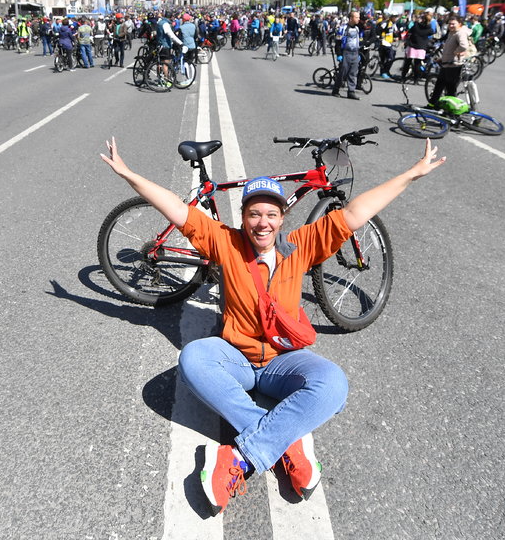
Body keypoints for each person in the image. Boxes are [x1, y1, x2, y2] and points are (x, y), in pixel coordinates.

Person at [99, 136, 445, 514]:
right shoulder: (225, 243)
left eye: (271, 215)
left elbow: (356, 212)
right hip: (237, 357)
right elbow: (176, 210)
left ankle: (241, 455)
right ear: (244, 216)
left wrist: (411, 174)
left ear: (282, 218)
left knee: (334, 384)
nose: (262, 223)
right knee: (194, 359)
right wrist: (130, 175)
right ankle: (283, 442)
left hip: (283, 361)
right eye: (254, 214)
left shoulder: (301, 245)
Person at [427, 16, 471, 106]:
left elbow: (464, 46)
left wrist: (456, 51)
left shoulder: (460, 33)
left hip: (454, 65)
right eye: (449, 24)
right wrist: (442, 58)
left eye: (453, 24)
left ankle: (451, 111)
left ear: (459, 24)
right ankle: (432, 105)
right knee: (439, 86)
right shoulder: (452, 32)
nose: (450, 25)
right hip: (447, 63)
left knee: (450, 89)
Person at [331, 11, 361, 99]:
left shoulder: (357, 29)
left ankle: (351, 91)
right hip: (346, 53)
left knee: (353, 73)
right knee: (343, 73)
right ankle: (335, 90)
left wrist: (358, 53)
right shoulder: (343, 28)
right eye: (357, 17)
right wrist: (339, 54)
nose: (359, 19)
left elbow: (357, 41)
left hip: (355, 53)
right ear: (351, 18)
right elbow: (338, 42)